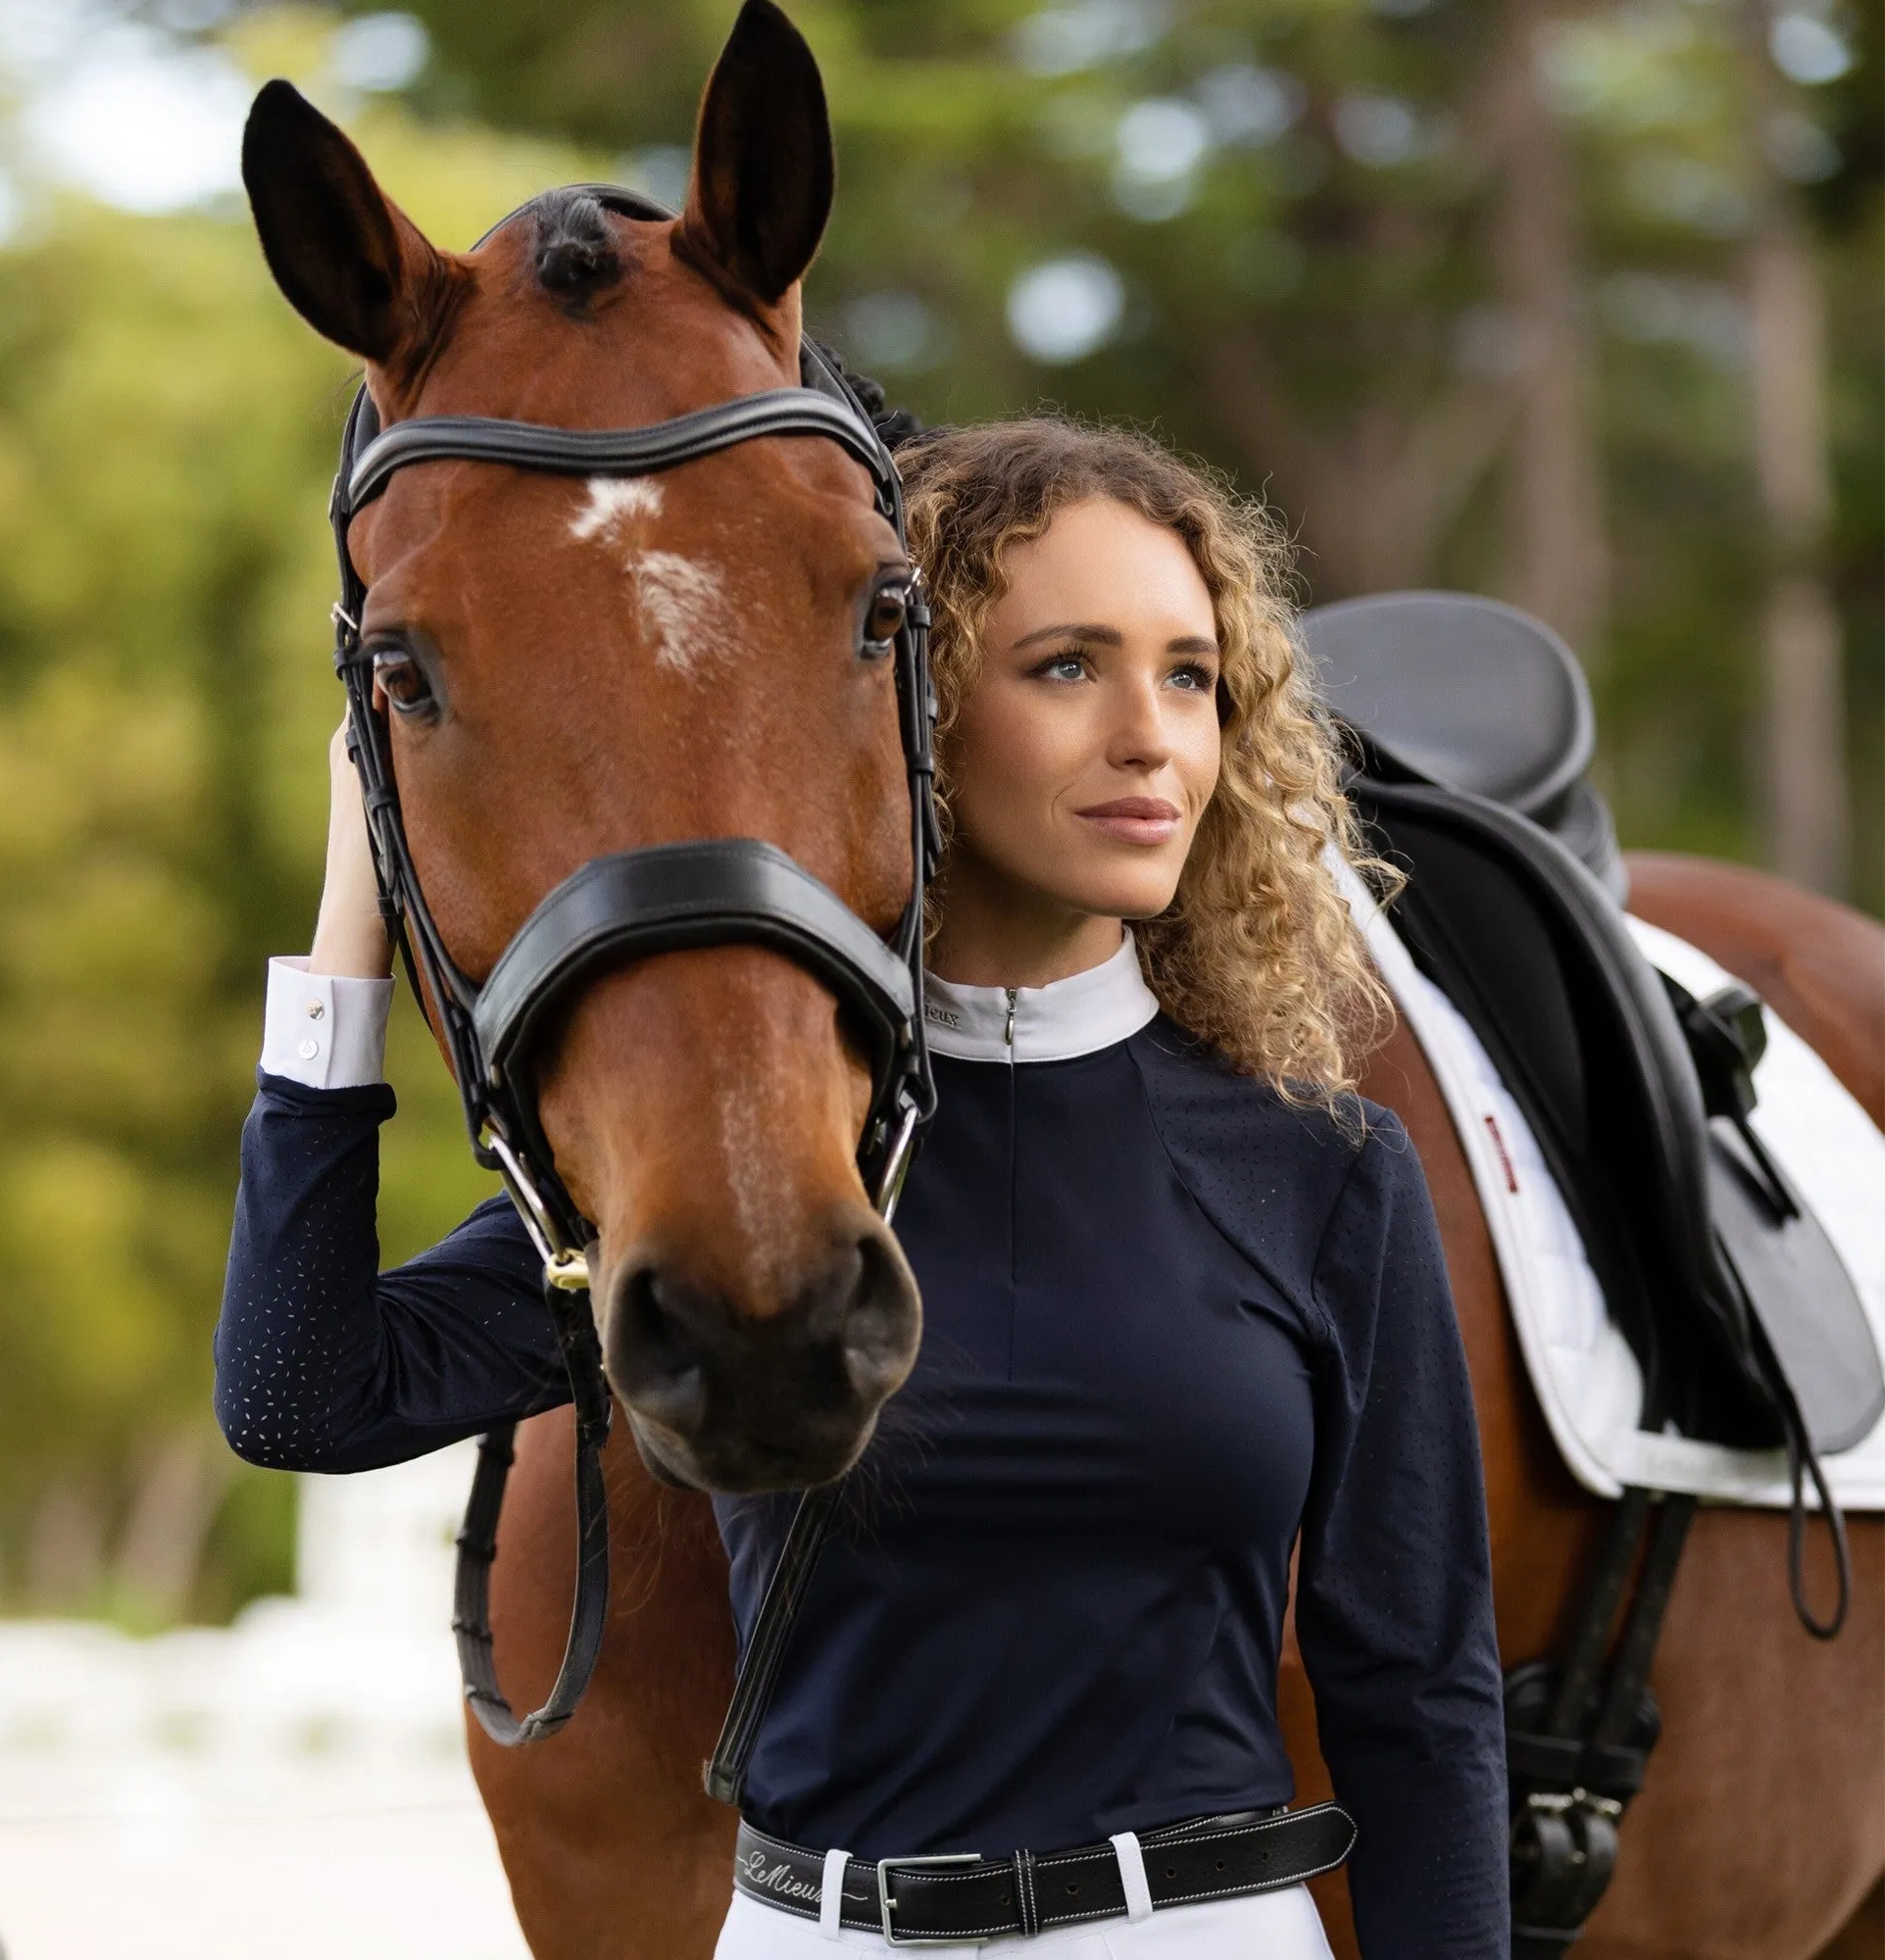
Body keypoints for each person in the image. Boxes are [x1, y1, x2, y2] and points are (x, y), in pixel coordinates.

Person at [218, 416, 1509, 1956]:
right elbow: (302, 1395)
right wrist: (349, 919)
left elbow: (1422, 1699)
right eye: (1065, 666)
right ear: (908, 702)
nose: (1150, 735)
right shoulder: (760, 1167)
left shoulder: (1325, 1171)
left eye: (1189, 674)